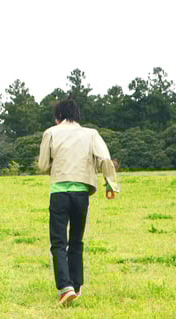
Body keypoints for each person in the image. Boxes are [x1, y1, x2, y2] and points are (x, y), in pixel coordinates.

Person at [37, 97, 119, 306]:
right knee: (76, 240)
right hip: (82, 192)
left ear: (59, 116)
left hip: (59, 192)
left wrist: (56, 167)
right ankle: (76, 284)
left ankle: (65, 288)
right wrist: (110, 184)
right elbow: (105, 159)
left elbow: (43, 165)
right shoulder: (91, 134)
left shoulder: (51, 133)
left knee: (58, 242)